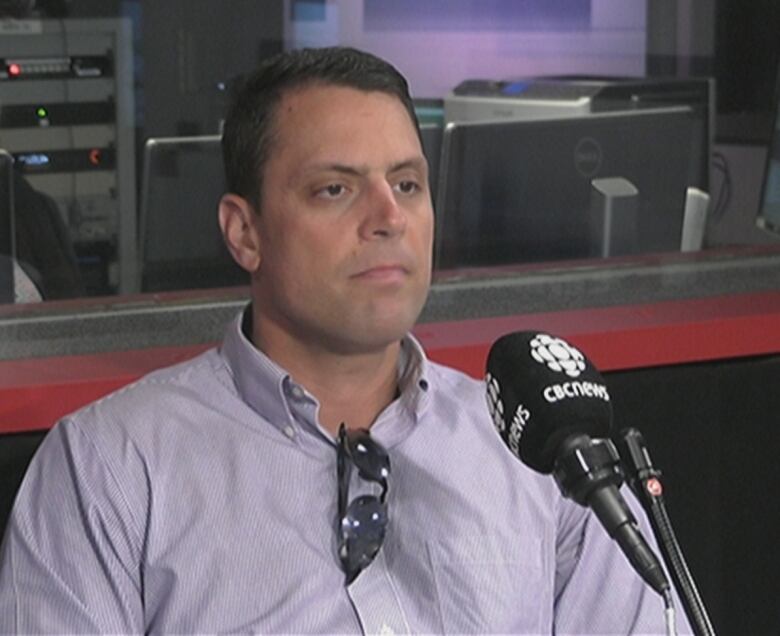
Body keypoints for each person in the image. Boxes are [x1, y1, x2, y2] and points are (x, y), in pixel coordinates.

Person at [0, 47, 688, 634]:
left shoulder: (540, 453)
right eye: (335, 189)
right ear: (245, 232)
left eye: (408, 184)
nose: (389, 217)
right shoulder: (108, 468)